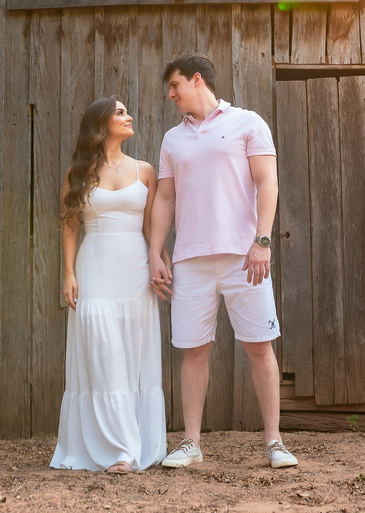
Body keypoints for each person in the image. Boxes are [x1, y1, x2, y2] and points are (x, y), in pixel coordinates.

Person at [147, 54, 298, 470]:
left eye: (175, 86)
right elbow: (164, 198)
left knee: (258, 347)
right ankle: (191, 443)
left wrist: (262, 241)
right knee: (193, 350)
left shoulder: (248, 123)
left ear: (197, 80)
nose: (171, 95)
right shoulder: (172, 140)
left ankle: (274, 443)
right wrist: (153, 253)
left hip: (244, 258)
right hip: (190, 260)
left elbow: (268, 182)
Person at [50, 97, 168, 474]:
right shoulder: (78, 173)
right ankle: (116, 449)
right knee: (102, 352)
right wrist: (68, 272)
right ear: (100, 123)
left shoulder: (145, 171)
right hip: (95, 267)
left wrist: (159, 259)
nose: (129, 116)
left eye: (127, 111)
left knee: (133, 353)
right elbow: (70, 225)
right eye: (120, 112)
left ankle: (133, 446)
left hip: (135, 270)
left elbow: (151, 228)